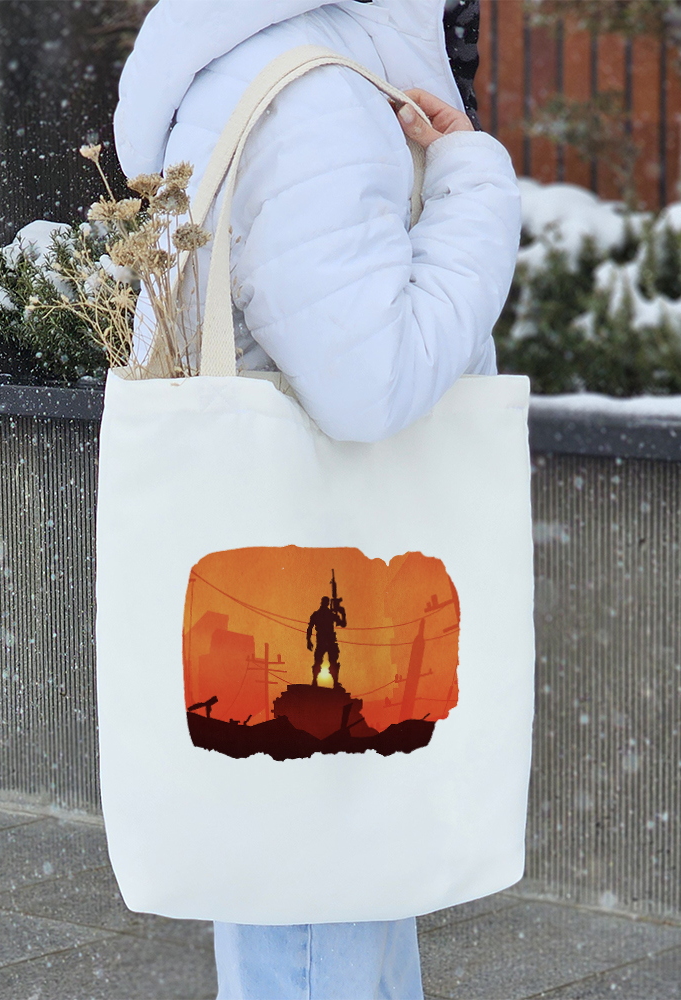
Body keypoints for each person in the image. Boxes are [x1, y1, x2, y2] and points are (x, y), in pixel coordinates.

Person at [114, 1, 520, 996]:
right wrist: (473, 185)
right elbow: (368, 384)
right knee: (320, 905)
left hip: (286, 571)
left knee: (323, 880)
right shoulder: (315, 95)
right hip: (318, 583)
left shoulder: (265, 60)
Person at [307, 594, 348, 686]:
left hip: (329, 641)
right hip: (323, 641)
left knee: (332, 662)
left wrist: (342, 613)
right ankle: (315, 681)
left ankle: (334, 682)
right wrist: (308, 641)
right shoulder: (318, 615)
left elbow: (342, 624)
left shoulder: (328, 614)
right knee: (319, 661)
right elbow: (309, 628)